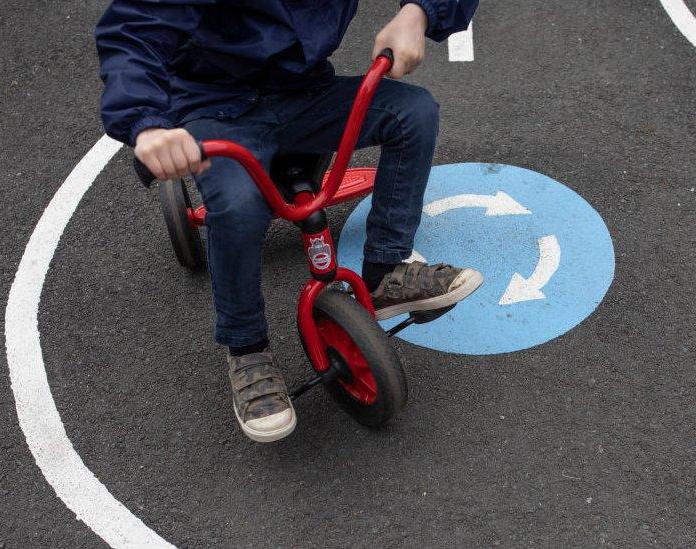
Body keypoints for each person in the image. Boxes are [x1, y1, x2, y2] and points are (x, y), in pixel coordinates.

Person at [95, 0, 481, 442]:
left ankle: (384, 271)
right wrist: (146, 125)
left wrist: (419, 13)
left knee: (413, 113)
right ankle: (246, 348)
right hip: (216, 108)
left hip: (304, 93)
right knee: (238, 207)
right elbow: (133, 29)